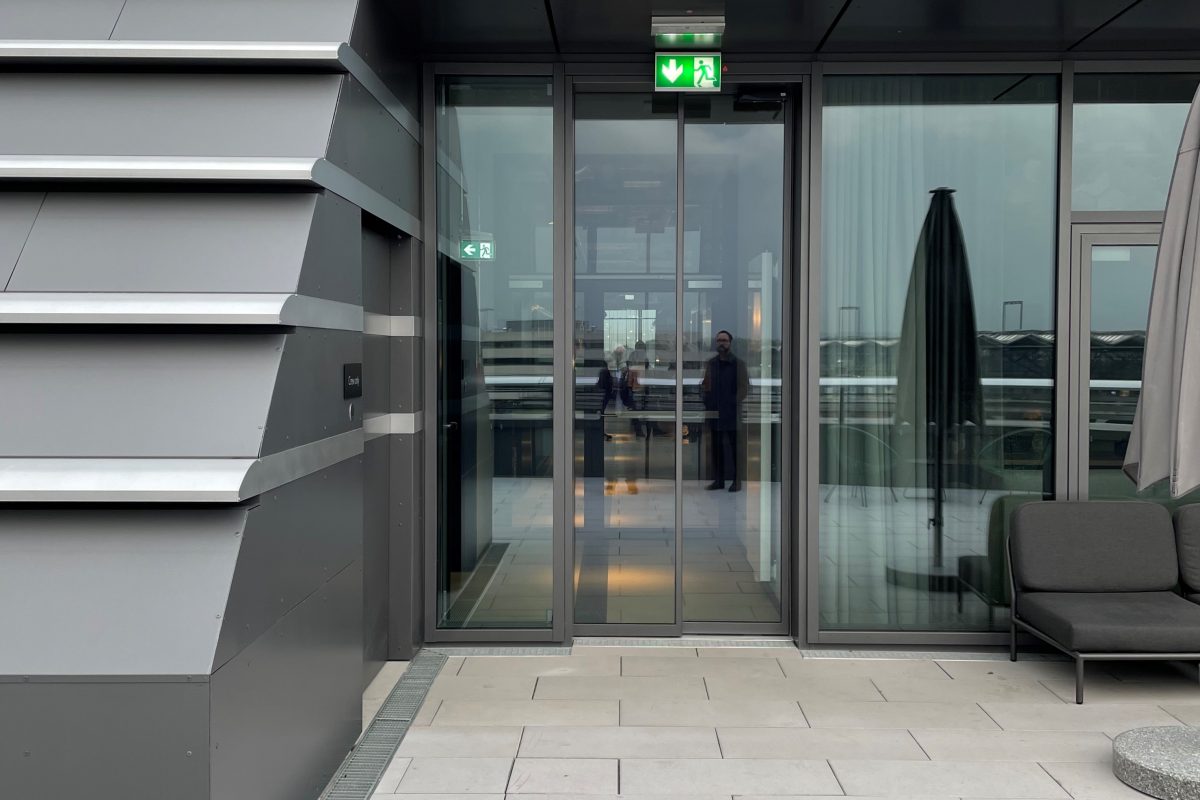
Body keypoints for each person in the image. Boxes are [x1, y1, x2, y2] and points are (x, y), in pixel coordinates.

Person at [701, 330, 749, 492]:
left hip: (732, 414)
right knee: (716, 449)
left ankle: (737, 481)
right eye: (719, 340)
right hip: (715, 413)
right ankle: (719, 480)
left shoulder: (738, 363)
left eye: (725, 340)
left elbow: (744, 387)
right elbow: (706, 384)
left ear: (730, 343)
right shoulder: (712, 363)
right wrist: (708, 401)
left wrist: (732, 402)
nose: (721, 343)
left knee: (735, 450)